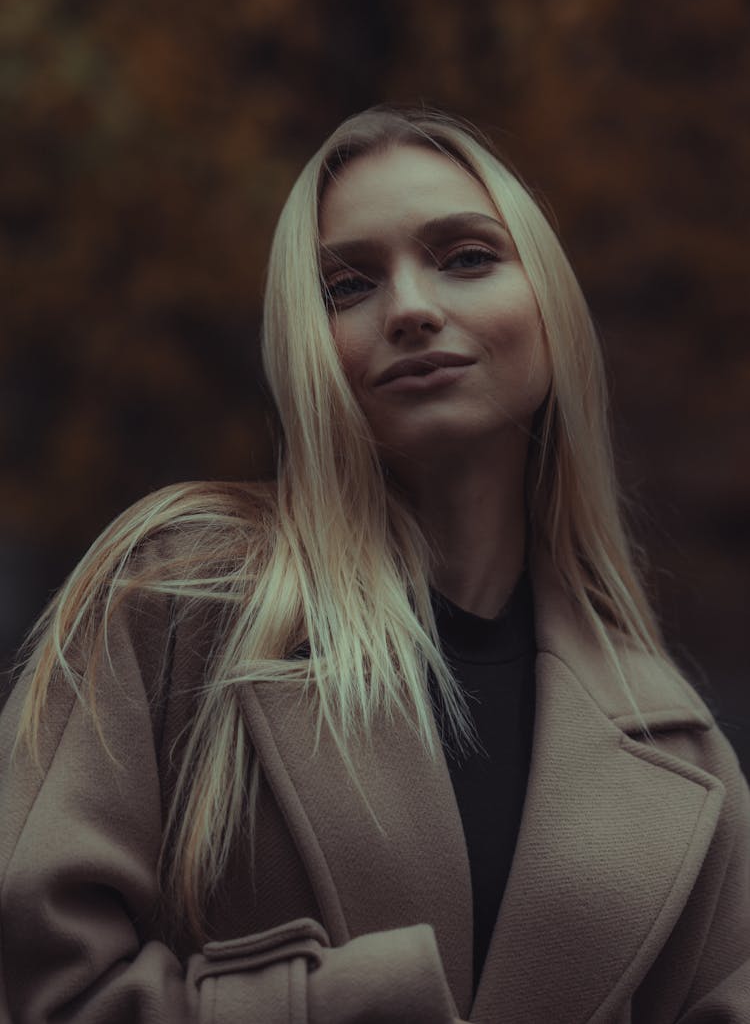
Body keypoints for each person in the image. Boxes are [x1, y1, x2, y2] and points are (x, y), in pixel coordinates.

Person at [0, 105, 748, 1024]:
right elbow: (40, 981)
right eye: (348, 286)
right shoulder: (183, 597)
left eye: (467, 257)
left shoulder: (675, 742)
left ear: (550, 305)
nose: (412, 308)